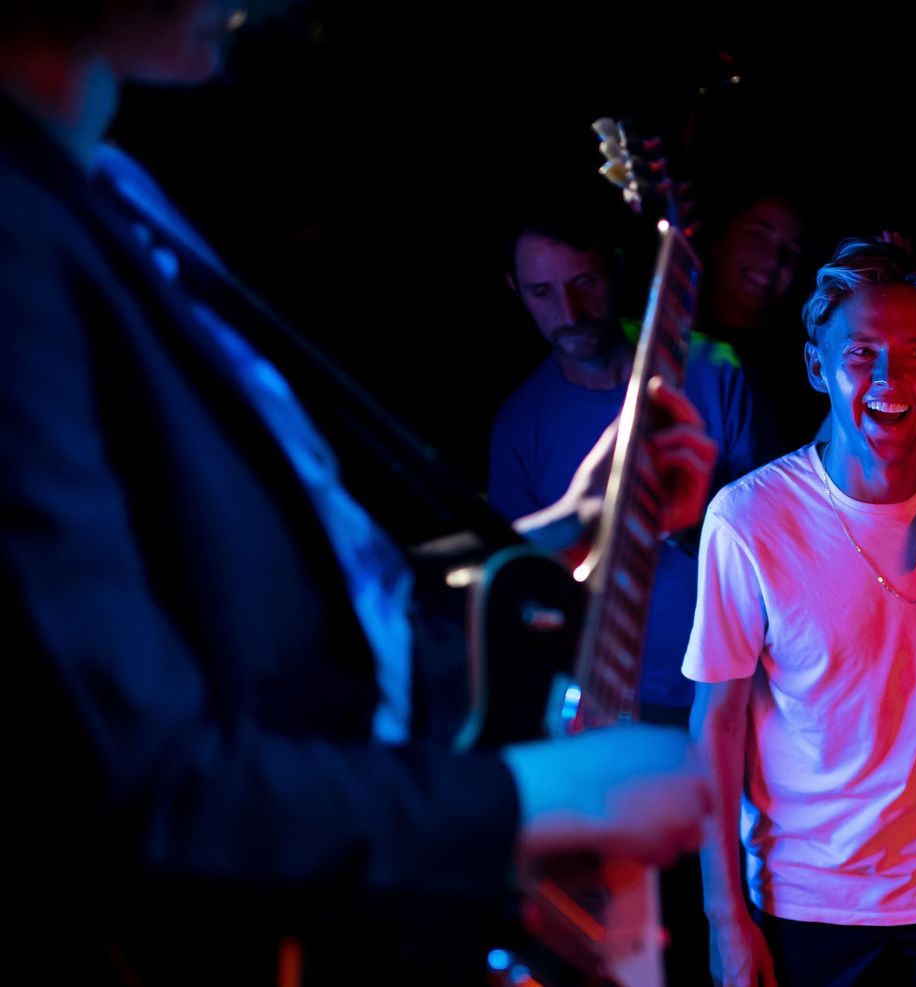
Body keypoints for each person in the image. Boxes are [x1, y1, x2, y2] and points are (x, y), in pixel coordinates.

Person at [2, 2, 715, 982]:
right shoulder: (18, 240)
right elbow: (132, 784)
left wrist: (561, 533)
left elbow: (279, 617)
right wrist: (524, 803)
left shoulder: (106, 183)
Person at [687, 240, 916, 987]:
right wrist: (725, 917)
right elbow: (716, 725)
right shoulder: (747, 518)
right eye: (861, 353)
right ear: (814, 366)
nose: (890, 379)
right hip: (810, 899)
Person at [489, 212, 775, 721]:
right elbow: (523, 591)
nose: (570, 311)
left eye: (584, 282)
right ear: (514, 289)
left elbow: (779, 542)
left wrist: (690, 517)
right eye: (541, 292)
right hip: (612, 700)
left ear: (616, 270)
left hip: (740, 684)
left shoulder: (717, 370)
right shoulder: (517, 424)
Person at [695, 190, 822, 451]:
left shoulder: (802, 369)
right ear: (720, 240)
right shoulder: (675, 327)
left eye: (791, 250)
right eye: (757, 237)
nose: (773, 260)